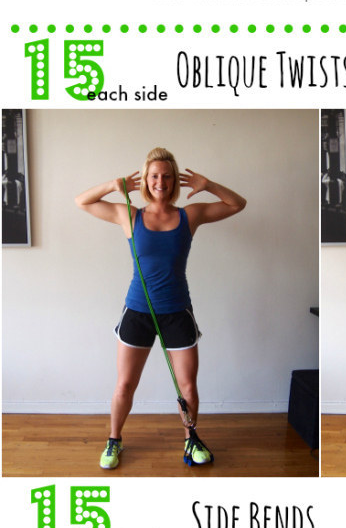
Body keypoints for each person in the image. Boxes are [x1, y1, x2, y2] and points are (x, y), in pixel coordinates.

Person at [74, 148, 246, 471]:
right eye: (154, 175)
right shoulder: (130, 214)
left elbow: (237, 204)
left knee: (188, 386)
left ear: (174, 180)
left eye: (167, 176)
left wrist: (208, 184)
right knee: (125, 384)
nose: (160, 181)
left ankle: (190, 439)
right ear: (145, 179)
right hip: (137, 311)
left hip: (177, 312)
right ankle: (114, 439)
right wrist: (113, 185)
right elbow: (81, 201)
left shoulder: (189, 216)